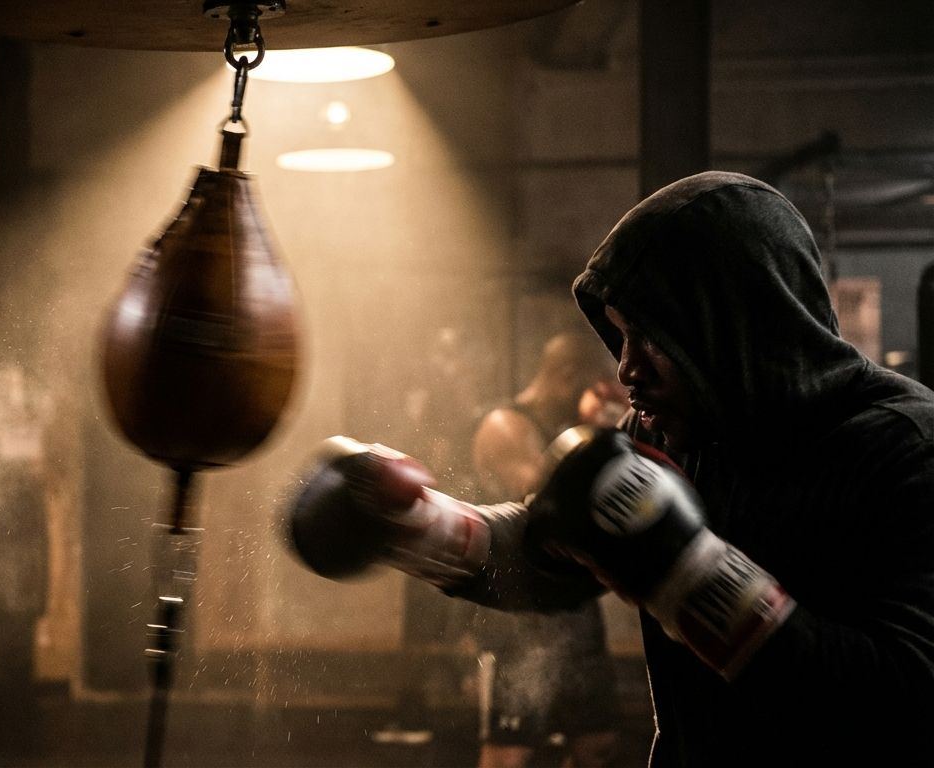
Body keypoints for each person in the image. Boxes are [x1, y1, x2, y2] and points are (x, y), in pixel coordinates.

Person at [287, 172, 934, 765]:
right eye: (621, 337)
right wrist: (416, 528)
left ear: (732, 323)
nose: (626, 368)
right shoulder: (677, 432)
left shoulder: (906, 446)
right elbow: (550, 549)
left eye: (652, 337)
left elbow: (905, 695)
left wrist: (691, 574)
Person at [469, 333, 622, 768]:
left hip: (577, 615)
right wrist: (606, 436)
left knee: (598, 748)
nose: (603, 398)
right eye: (595, 386)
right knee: (509, 756)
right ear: (567, 376)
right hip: (519, 619)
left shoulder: (570, 433)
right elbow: (550, 503)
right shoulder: (506, 425)